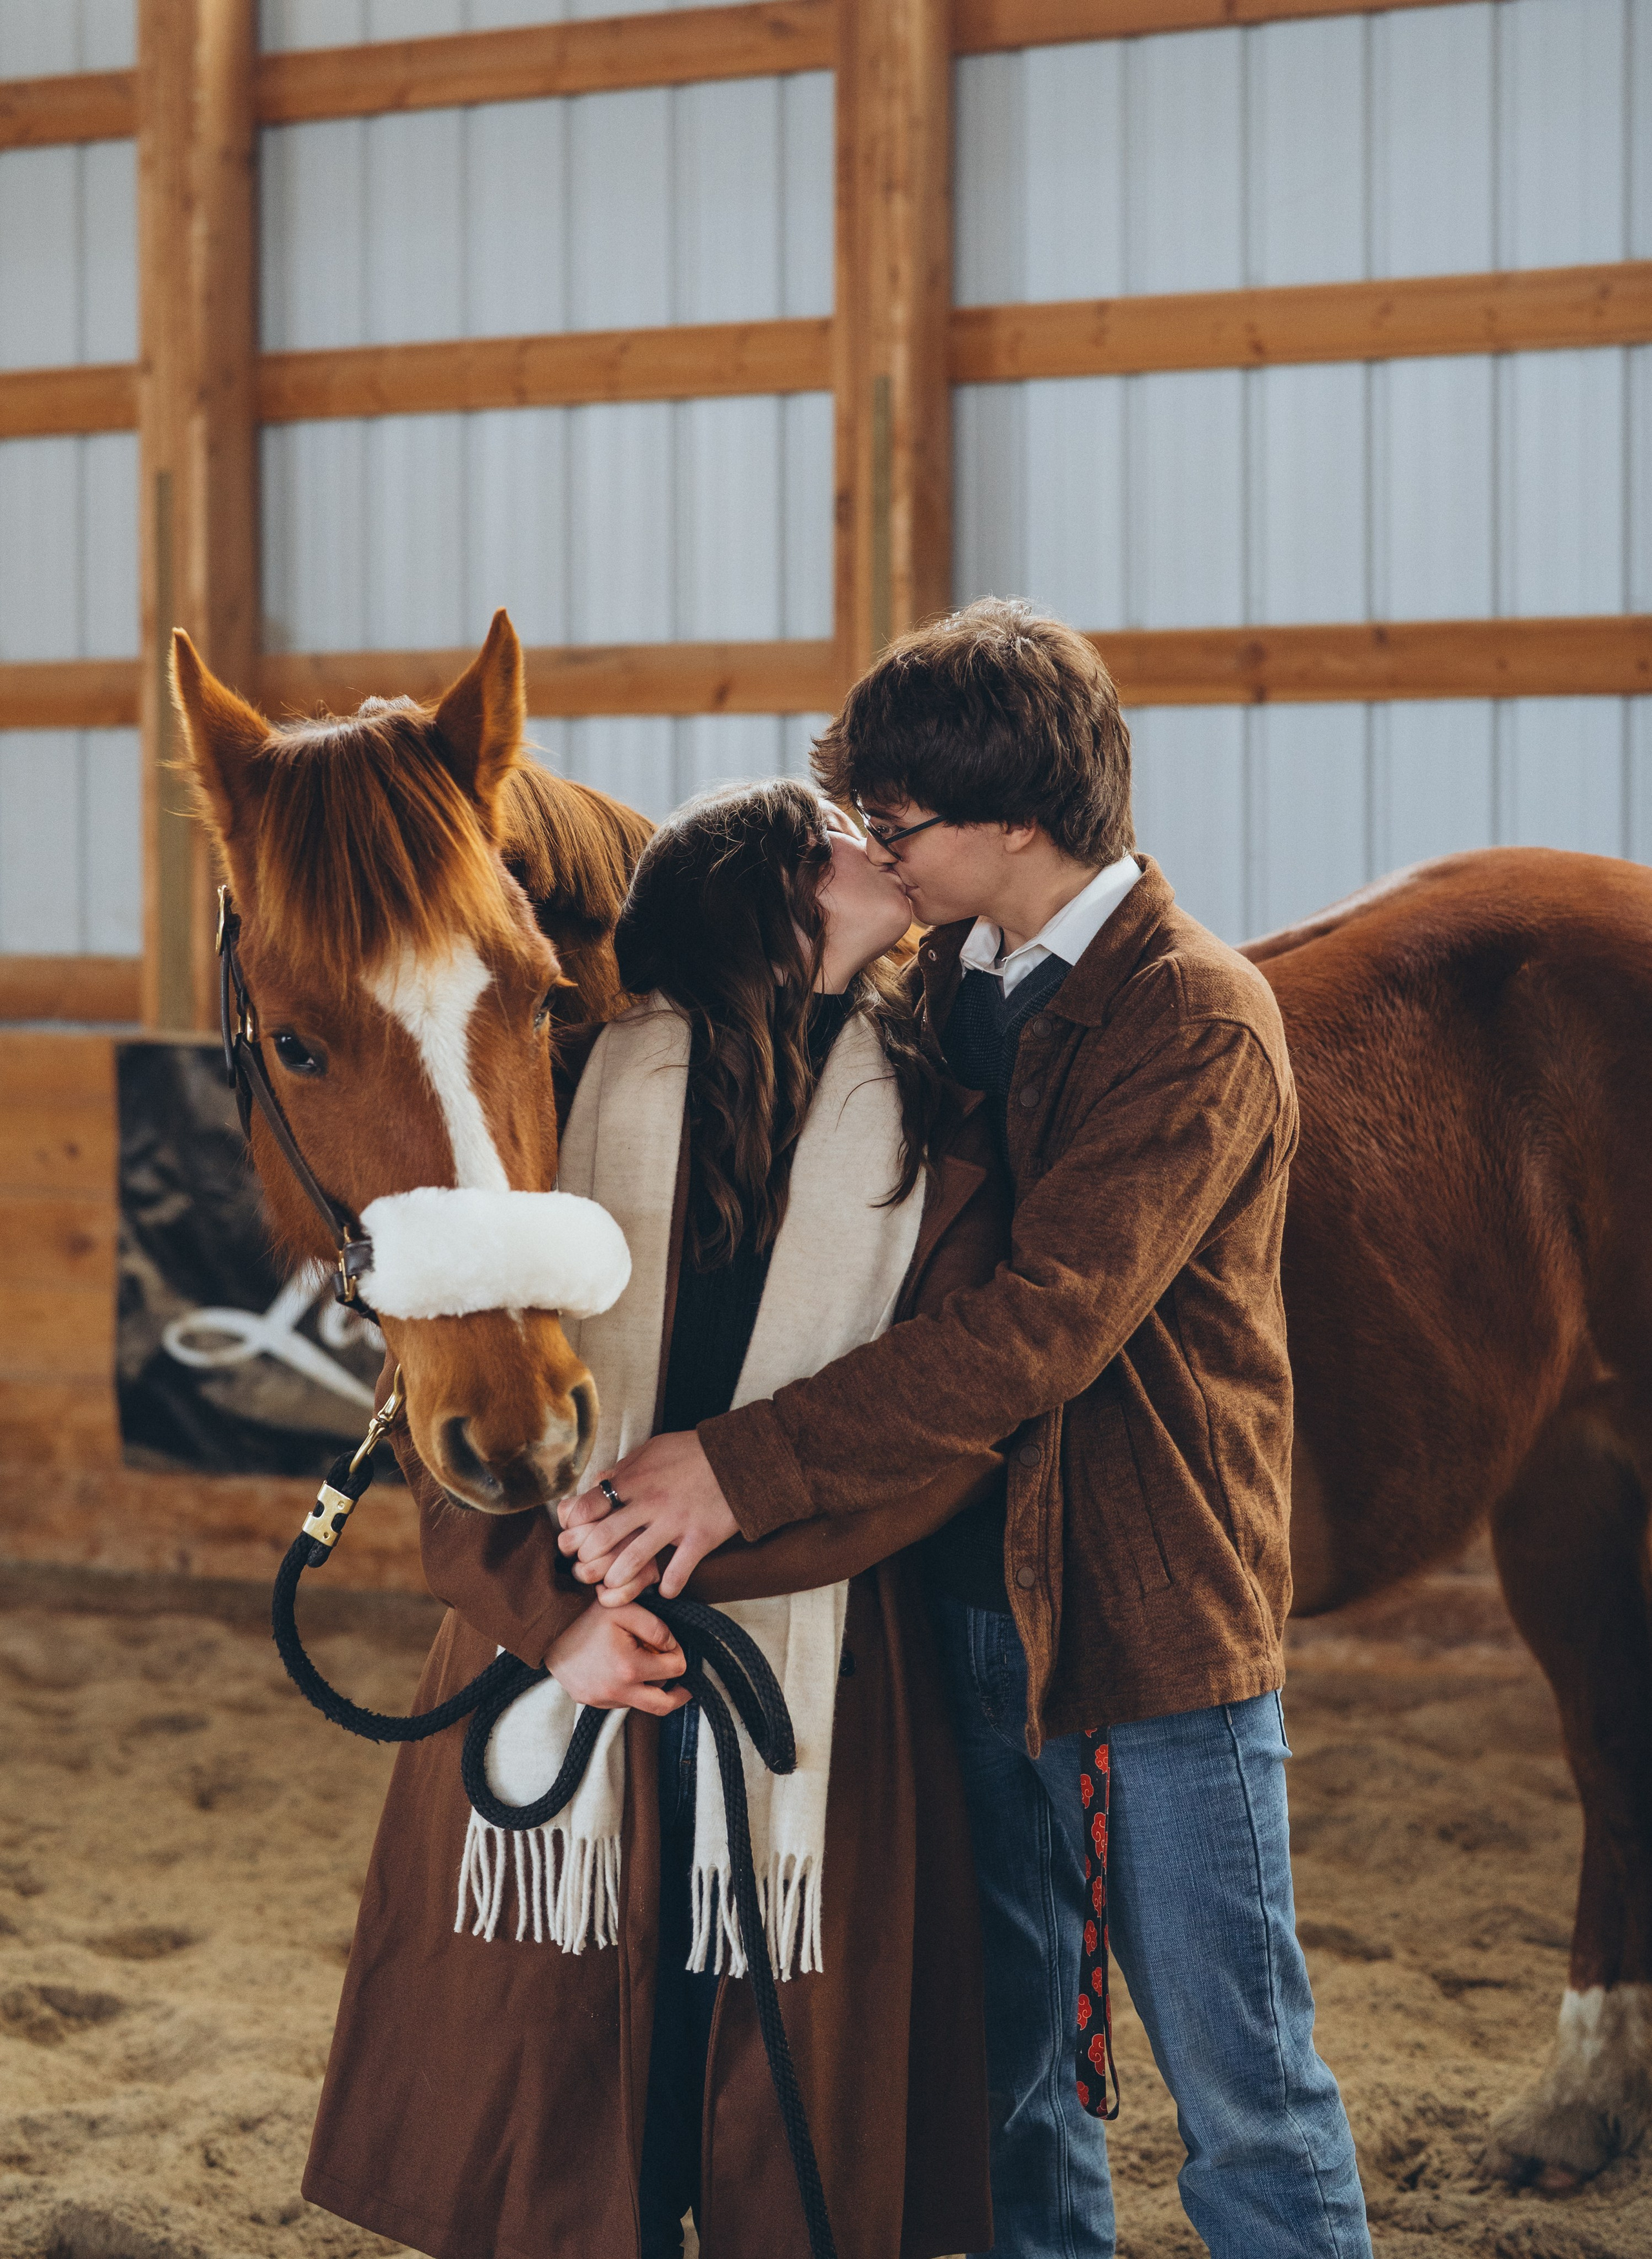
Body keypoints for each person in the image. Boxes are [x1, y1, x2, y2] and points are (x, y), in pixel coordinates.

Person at [563, 601, 1375, 2259]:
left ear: (1014, 820)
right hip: (958, 1617)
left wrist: (739, 1463)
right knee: (1011, 2085)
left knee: (1241, 2086)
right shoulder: (938, 1004)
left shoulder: (1191, 1021)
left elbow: (1038, 1327)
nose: (875, 848)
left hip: (1148, 1633)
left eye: (896, 822)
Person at [303, 779, 1010, 2259]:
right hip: (553, 1642)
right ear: (776, 896)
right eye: (831, 837)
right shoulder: (567, 1096)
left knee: (781, 2113)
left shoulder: (939, 1121)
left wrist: (697, 1549)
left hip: (816, 1669)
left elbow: (938, 1432)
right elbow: (459, 1400)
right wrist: (564, 1622)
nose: (868, 844)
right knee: (560, 2114)